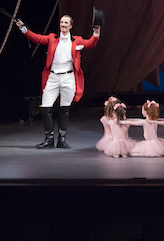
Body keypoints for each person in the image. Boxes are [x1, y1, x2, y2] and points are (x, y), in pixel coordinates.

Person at [16, 15, 101, 148]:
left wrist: (96, 32)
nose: (63, 24)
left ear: (71, 26)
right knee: (45, 107)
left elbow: (91, 43)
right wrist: (23, 28)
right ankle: (49, 139)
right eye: (61, 22)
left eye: (66, 22)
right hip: (53, 77)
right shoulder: (52, 38)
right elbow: (36, 38)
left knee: (64, 109)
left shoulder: (76, 40)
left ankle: (62, 139)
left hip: (68, 77)